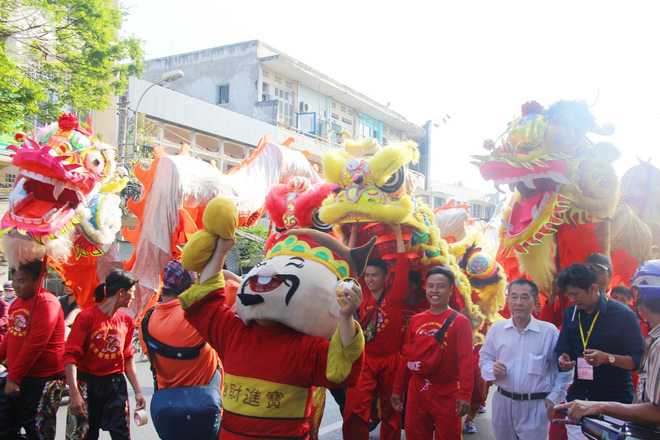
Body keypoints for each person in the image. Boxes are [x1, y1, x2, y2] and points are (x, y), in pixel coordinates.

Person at [556, 259, 660, 428]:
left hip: (616, 404)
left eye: (576, 294)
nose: (572, 299)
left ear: (593, 288)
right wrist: (563, 358)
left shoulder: (624, 315)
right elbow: (563, 347)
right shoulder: (570, 314)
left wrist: (608, 358)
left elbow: (638, 360)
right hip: (580, 398)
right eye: (569, 294)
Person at [139, 259, 222, 439]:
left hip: (169, 409)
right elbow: (230, 285)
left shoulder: (146, 321)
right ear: (189, 287)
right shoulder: (198, 314)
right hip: (206, 405)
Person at [479, 278, 572, 439]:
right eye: (514, 297)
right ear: (508, 300)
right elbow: (484, 359)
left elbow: (565, 371)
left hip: (535, 406)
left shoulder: (549, 333)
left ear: (535, 301)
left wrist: (553, 398)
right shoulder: (497, 329)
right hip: (503, 402)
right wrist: (492, 369)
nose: (518, 303)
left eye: (524, 297)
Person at [391, 265, 473, 439]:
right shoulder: (416, 320)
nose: (434, 291)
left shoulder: (460, 321)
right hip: (417, 391)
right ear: (425, 288)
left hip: (447, 392)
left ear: (450, 290)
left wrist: (465, 394)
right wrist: (398, 390)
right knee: (415, 435)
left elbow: (466, 361)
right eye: (430, 286)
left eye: (441, 286)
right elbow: (407, 357)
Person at [343, 224, 409, 440]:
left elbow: (402, 263)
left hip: (391, 362)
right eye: (368, 275)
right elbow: (350, 265)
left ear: (385, 277)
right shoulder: (360, 293)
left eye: (375, 275)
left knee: (392, 410)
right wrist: (353, 233)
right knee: (354, 409)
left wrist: (398, 231)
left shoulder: (395, 294)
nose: (370, 279)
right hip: (365, 360)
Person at [64, 269, 146, 440]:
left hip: (115, 385)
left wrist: (138, 391)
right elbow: (70, 357)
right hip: (87, 384)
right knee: (86, 435)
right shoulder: (86, 317)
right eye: (131, 292)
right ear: (121, 292)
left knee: (121, 435)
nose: (133, 297)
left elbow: (128, 358)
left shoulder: (127, 320)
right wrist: (74, 393)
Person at [0, 260, 66, 440]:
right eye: (14, 280)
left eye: (21, 281)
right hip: (19, 377)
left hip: (43, 381)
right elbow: (10, 338)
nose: (15, 286)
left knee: (38, 432)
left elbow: (35, 344)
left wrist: (13, 377)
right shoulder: (16, 303)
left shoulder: (47, 303)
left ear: (39, 279)